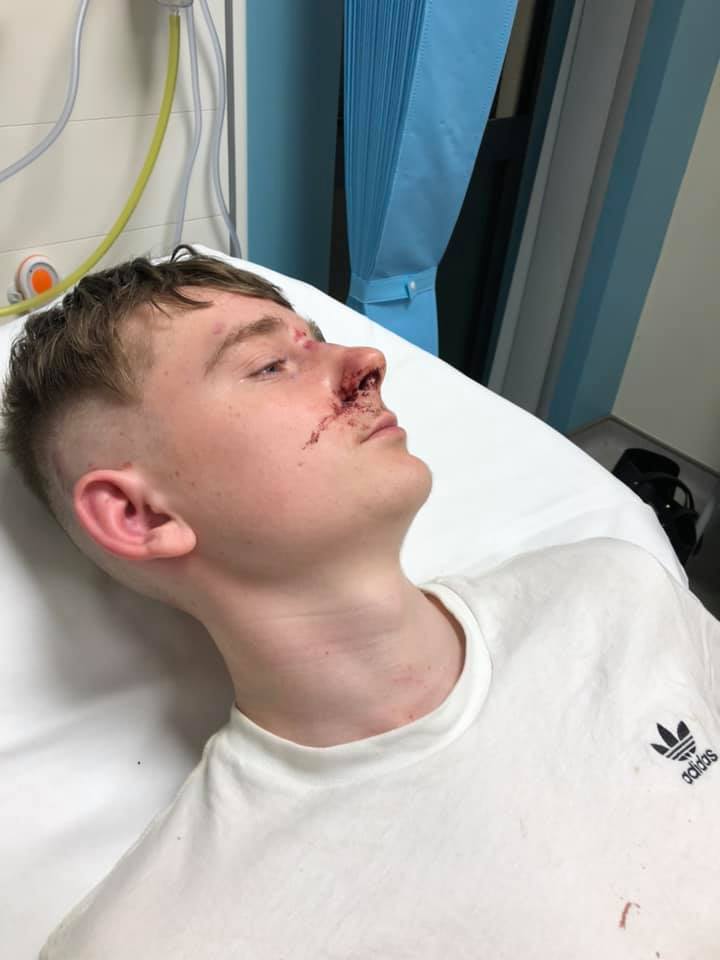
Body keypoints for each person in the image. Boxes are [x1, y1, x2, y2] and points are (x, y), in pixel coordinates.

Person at [2, 246, 718, 959]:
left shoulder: (617, 593)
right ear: (140, 516)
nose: (367, 361)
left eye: (312, 340)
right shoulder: (159, 940)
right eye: (269, 365)